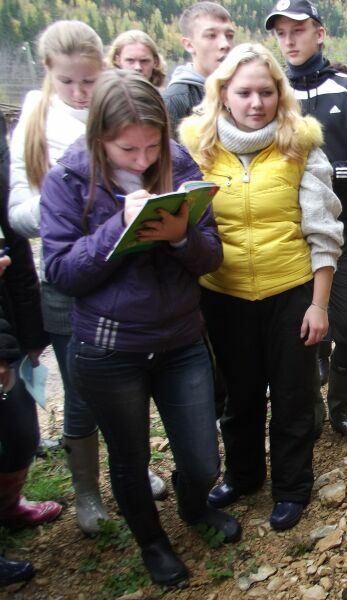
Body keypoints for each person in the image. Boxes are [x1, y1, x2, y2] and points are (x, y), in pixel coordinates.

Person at [39, 70, 240, 587]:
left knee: (201, 458)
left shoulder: (181, 164)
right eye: (128, 149)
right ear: (98, 139)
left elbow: (210, 255)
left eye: (154, 144)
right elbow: (59, 272)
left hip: (180, 338)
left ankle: (194, 505)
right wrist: (116, 229)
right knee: (128, 458)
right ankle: (153, 542)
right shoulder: (67, 181)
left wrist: (179, 238)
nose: (145, 159)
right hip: (109, 348)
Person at [9, 20, 167, 537]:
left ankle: (133, 465)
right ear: (48, 75)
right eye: (67, 82)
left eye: (87, 80)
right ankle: (85, 491)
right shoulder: (33, 119)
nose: (78, 92)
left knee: (129, 381)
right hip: (65, 277)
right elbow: (18, 212)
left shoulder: (119, 114)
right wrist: (73, 205)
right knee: (80, 389)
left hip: (132, 265)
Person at [179, 43, 343, 531]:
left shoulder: (300, 145)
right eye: (244, 92)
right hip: (222, 293)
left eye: (266, 92)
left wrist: (319, 304)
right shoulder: (197, 148)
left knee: (293, 395)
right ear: (223, 94)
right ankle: (245, 474)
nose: (256, 103)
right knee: (239, 394)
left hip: (290, 289)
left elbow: (324, 229)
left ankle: (292, 487)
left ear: (280, 94)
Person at [267, 0, 347, 443]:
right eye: (281, 32)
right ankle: (315, 409)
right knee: (303, 333)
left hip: (346, 230)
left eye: (298, 30)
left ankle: (342, 406)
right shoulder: (270, 92)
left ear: (319, 33)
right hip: (286, 234)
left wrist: (328, 173)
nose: (289, 40)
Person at [0, 113, 61, 588]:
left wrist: (29, 335)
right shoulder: (33, 123)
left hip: (11, 306)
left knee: (20, 429)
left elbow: (16, 246)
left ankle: (9, 507)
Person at [163, 2, 235, 137]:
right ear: (189, 45)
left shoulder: (245, 91)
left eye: (229, 36)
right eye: (211, 35)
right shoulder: (174, 101)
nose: (225, 44)